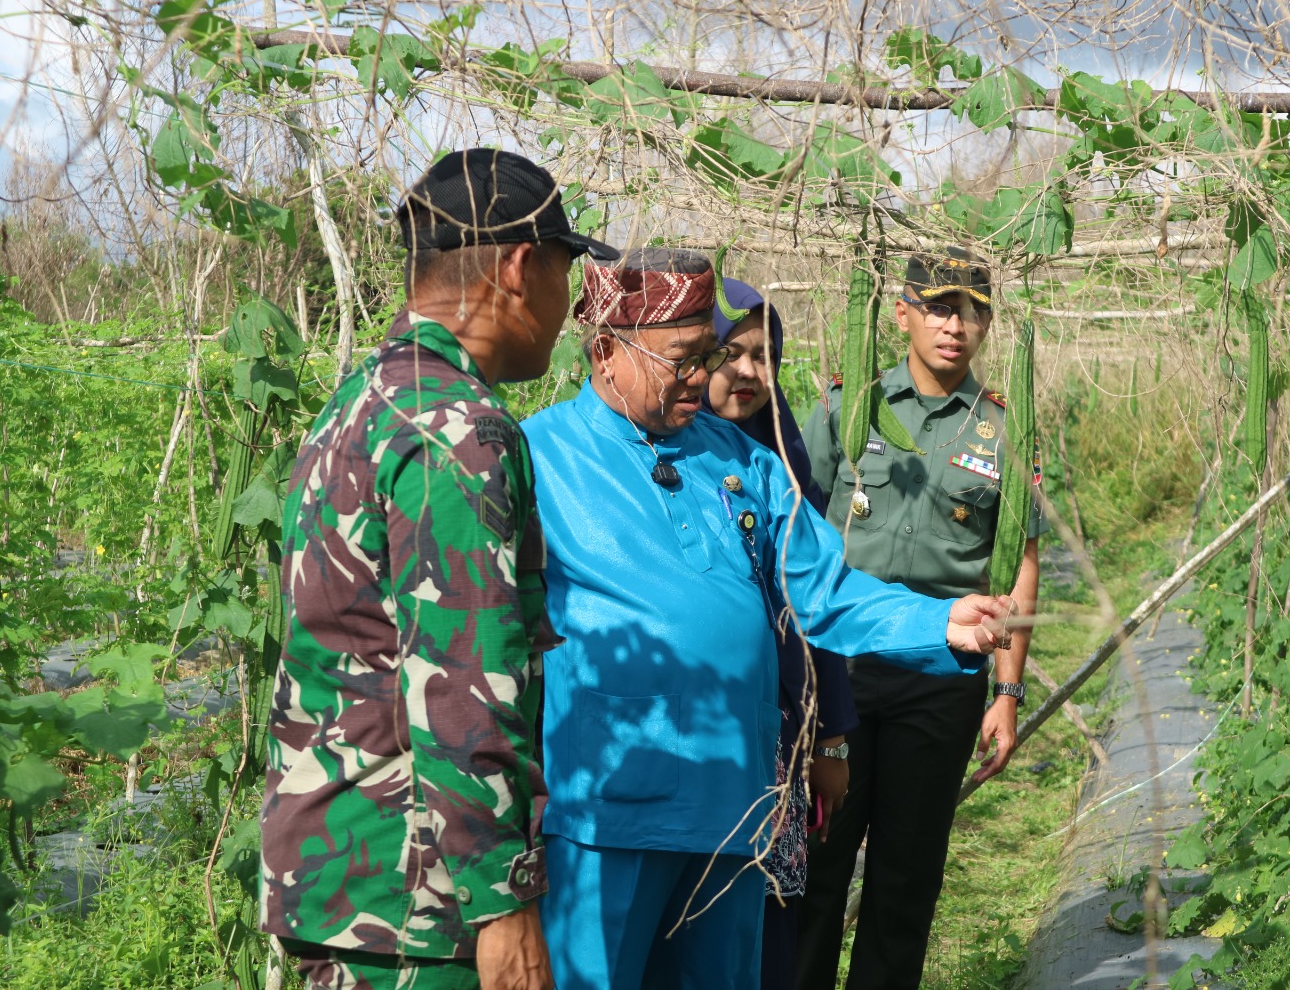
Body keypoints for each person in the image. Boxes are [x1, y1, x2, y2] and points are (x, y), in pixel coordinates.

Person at [520, 247, 1012, 990]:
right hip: (607, 814)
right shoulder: (538, 456)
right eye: (680, 362)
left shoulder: (742, 460)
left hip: (732, 805)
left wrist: (939, 624)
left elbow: (823, 586)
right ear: (604, 352)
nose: (699, 381)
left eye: (704, 359)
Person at [260, 148, 618, 990]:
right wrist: (506, 904)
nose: (569, 308)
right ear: (521, 267)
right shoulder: (457, 431)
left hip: (337, 877)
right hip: (415, 906)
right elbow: (465, 683)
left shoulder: (359, 400)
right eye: (568, 272)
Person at [796, 247, 1046, 990]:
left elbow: (1020, 560)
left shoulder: (1005, 430)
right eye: (939, 306)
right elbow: (798, 526)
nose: (955, 325)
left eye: (972, 312)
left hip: (943, 675)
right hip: (840, 668)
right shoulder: (850, 408)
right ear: (902, 312)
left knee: (905, 881)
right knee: (817, 866)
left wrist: (1007, 693)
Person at [704, 278, 858, 990]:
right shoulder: (660, 461)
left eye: (763, 356)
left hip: (780, 748)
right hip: (696, 748)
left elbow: (817, 611)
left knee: (771, 927)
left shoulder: (785, 467)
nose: (747, 373)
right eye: (726, 353)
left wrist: (827, 738)